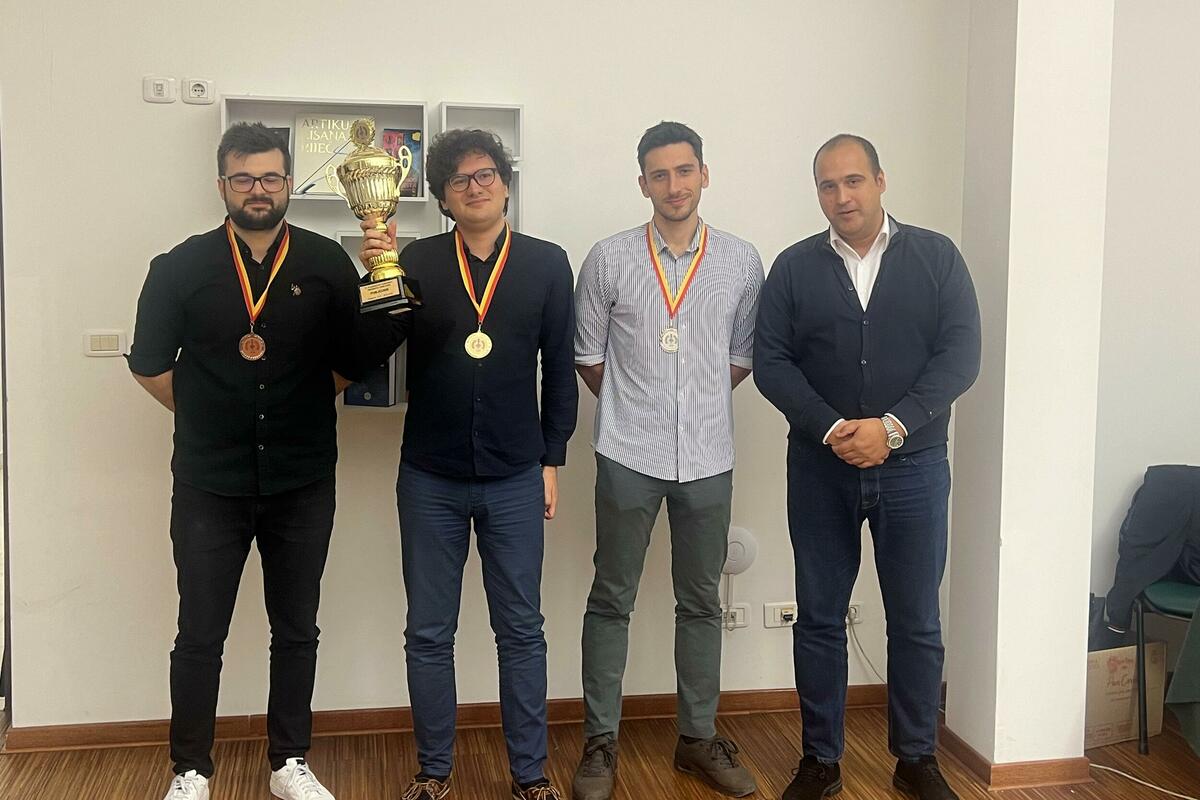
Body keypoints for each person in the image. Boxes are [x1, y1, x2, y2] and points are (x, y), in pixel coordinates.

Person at [129, 122, 405, 800]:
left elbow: (356, 355)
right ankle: (191, 771)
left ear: (288, 184)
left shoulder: (324, 261)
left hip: (301, 479)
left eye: (271, 177)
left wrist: (385, 277)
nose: (259, 189)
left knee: (297, 629)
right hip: (209, 483)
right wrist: (208, 416)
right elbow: (149, 365)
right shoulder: (179, 267)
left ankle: (289, 763)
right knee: (199, 633)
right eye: (244, 178)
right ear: (222, 184)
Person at [754, 134, 981, 800]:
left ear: (881, 180)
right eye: (828, 185)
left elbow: (960, 355)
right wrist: (832, 429)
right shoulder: (794, 267)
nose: (842, 196)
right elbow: (771, 361)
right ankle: (820, 760)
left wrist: (892, 427)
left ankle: (917, 759)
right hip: (820, 469)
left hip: (914, 468)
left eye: (853, 181)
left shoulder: (936, 257)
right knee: (819, 617)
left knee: (916, 620)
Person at [358, 128, 578, 800]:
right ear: (444, 198)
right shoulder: (418, 259)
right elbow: (374, 346)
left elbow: (559, 369)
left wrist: (552, 458)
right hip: (431, 475)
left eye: (486, 175)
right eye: (459, 180)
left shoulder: (546, 263)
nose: (475, 187)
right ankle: (433, 772)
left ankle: (530, 775)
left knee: (522, 631)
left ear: (506, 184)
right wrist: (377, 276)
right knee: (428, 633)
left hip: (516, 474)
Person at [571, 121, 763, 800]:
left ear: (704, 174)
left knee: (701, 602)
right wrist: (643, 407)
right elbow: (588, 356)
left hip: (709, 457)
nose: (674, 185)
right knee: (611, 598)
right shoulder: (609, 259)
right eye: (660, 174)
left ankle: (697, 738)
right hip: (628, 453)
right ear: (643, 183)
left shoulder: (741, 262)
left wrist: (692, 406)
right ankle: (600, 742)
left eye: (685, 171)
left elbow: (740, 358)